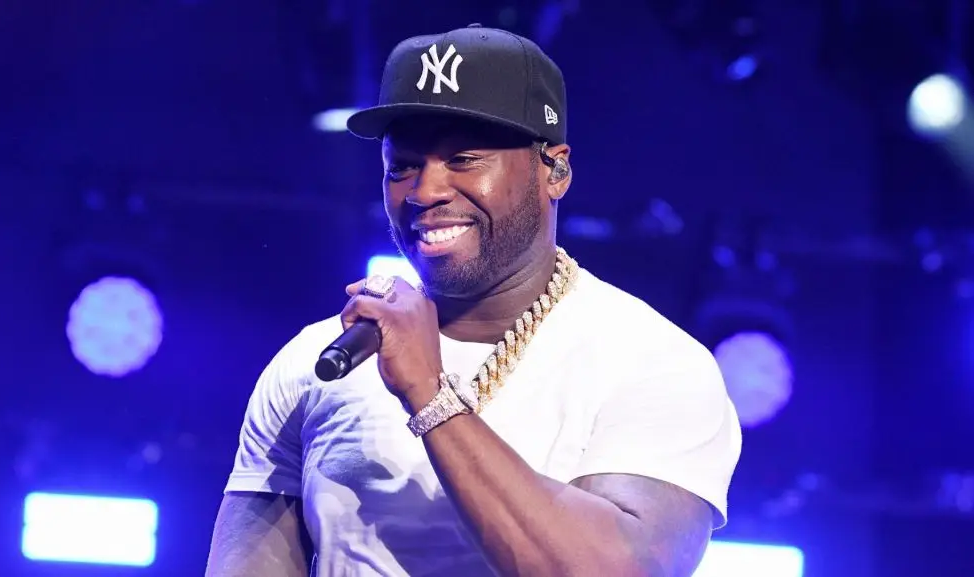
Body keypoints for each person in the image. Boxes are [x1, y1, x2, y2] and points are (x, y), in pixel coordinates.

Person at [205, 23, 741, 577]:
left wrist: (431, 394)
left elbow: (617, 569)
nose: (425, 192)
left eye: (463, 158)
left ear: (555, 170)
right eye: (402, 166)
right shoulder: (316, 361)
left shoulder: (653, 362)